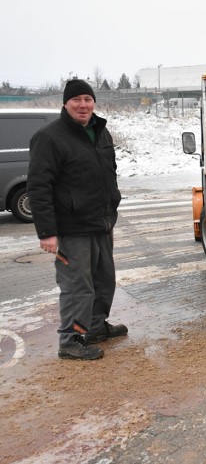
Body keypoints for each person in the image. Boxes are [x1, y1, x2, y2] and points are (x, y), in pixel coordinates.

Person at [27, 79, 127, 360]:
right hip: (72, 229)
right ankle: (70, 341)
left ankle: (95, 327)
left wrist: (111, 213)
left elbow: (109, 175)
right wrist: (46, 232)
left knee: (104, 281)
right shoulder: (49, 137)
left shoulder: (101, 132)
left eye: (88, 99)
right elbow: (38, 186)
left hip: (101, 223)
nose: (83, 105)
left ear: (94, 102)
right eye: (77, 100)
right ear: (65, 103)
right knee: (77, 287)